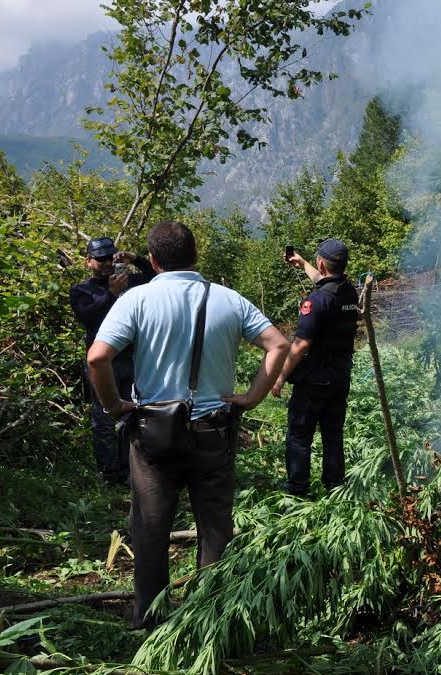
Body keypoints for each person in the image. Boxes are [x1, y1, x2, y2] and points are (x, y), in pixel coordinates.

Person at [86, 221, 289, 628]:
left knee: (150, 528)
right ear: (196, 257)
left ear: (155, 260)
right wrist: (251, 398)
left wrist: (114, 407)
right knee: (215, 529)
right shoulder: (230, 300)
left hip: (152, 435)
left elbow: (97, 358)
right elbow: (279, 344)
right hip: (213, 434)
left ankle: (149, 618)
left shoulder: (136, 299)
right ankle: (207, 618)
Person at [272, 239, 361, 496]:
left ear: (322, 263)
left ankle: (297, 490)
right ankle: (335, 490)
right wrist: (302, 264)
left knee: (299, 436)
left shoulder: (317, 300)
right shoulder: (349, 292)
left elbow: (300, 345)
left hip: (315, 379)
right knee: (333, 434)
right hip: (340, 375)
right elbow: (325, 281)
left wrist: (280, 377)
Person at [70, 237, 156, 486]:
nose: (108, 263)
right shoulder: (82, 290)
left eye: (111, 257)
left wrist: (134, 258)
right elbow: (89, 318)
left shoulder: (129, 281)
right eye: (101, 259)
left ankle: (132, 470)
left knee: (135, 413)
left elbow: (155, 274)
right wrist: (112, 293)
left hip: (132, 359)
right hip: (102, 362)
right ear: (88, 262)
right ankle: (110, 474)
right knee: (104, 417)